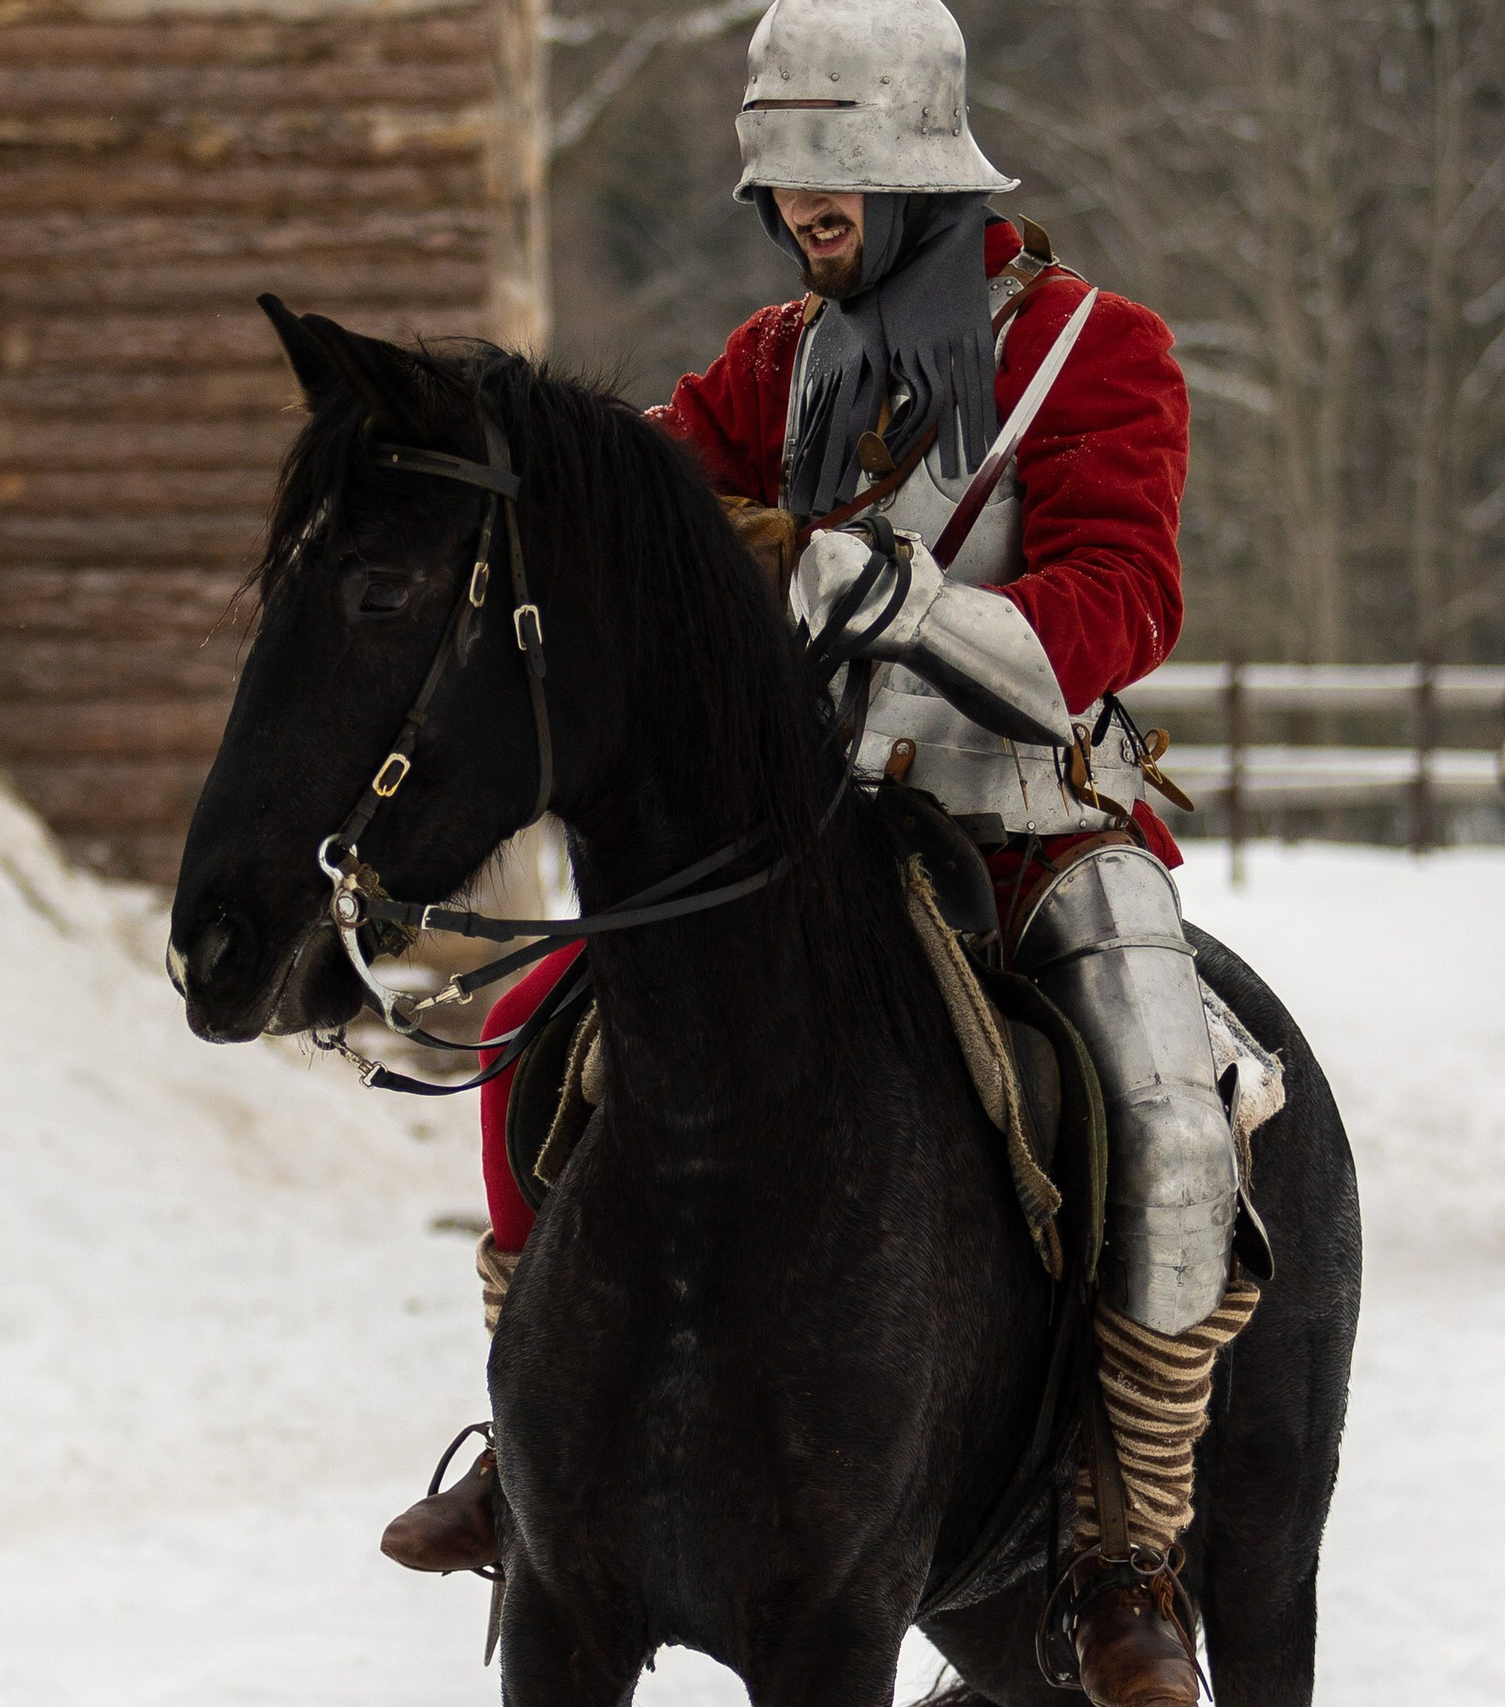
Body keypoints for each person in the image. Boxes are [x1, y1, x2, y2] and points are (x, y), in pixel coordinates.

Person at [379, 2, 1254, 1700]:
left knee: (1161, 1101)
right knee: (536, 1026)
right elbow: (649, 484)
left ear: (916, 162)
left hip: (1028, 824)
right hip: (807, 836)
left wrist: (898, 591)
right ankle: (533, 1448)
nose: (800, 208)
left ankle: (1122, 1545)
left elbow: (1121, 604)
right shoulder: (775, 360)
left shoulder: (1097, 349)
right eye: (780, 178)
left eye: (827, 174)